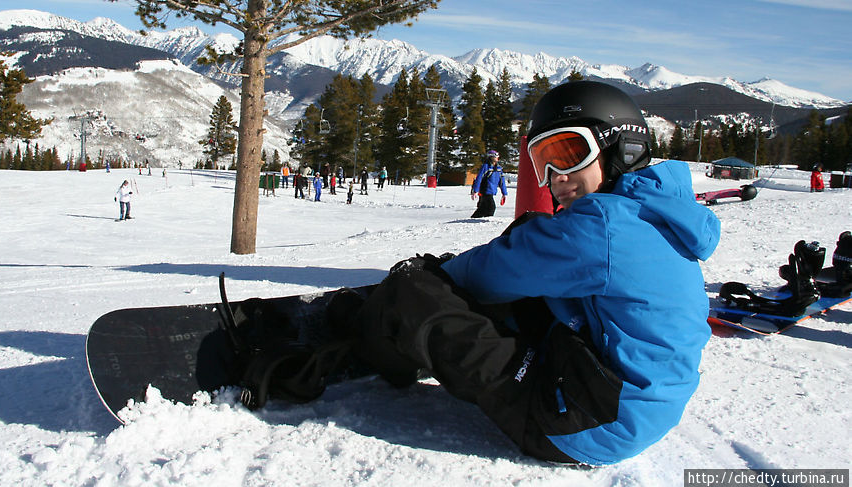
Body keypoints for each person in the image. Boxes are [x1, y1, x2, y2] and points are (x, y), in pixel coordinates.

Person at [228, 81, 720, 466]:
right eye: (543, 161)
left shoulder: (603, 226)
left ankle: (353, 344)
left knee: (415, 292)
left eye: (570, 154)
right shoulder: (657, 210)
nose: (556, 178)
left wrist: (424, 284)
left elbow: (482, 276)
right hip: (632, 406)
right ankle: (398, 329)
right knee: (523, 271)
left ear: (620, 150)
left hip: (581, 423)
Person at [470, 150, 508, 218]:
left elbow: (502, 181)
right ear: (491, 157)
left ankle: (475, 219)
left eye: (498, 156)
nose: (497, 158)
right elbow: (479, 178)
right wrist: (475, 190)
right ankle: (487, 221)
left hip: (492, 190)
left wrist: (504, 193)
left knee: (483, 208)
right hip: (485, 190)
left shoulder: (499, 168)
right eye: (495, 156)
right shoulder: (486, 167)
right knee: (491, 207)